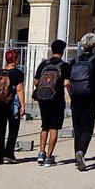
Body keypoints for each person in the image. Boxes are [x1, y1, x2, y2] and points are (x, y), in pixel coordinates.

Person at [69, 32, 95, 171]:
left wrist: (73, 93)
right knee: (87, 128)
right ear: (94, 46)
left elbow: (68, 83)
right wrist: (91, 83)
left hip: (75, 98)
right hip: (90, 97)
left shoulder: (74, 61)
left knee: (77, 127)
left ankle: (76, 156)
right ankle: (81, 152)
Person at [33, 39, 69, 167]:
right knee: (54, 128)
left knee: (45, 126)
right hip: (57, 99)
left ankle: (41, 153)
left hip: (43, 99)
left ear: (52, 50)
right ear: (63, 51)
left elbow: (36, 82)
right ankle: (49, 157)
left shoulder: (44, 64)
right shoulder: (64, 66)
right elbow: (66, 83)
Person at [0, 49, 26, 165]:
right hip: (11, 105)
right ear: (15, 60)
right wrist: (23, 106)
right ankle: (9, 154)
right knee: (13, 129)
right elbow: (19, 90)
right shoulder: (18, 73)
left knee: (0, 131)